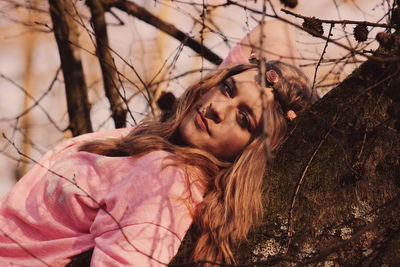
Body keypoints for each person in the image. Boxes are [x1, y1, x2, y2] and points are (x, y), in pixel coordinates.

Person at [0, 19, 317, 267]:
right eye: (228, 89)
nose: (218, 109)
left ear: (252, 153)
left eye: (244, 120)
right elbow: (272, 28)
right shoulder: (166, 145)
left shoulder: (164, 178)